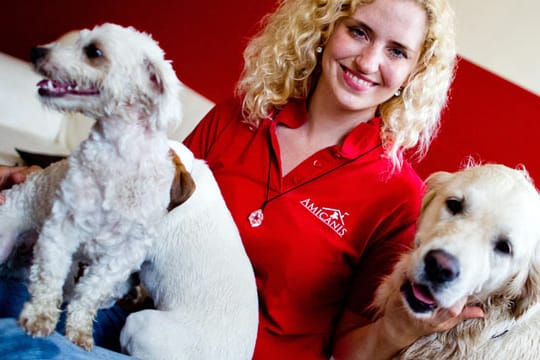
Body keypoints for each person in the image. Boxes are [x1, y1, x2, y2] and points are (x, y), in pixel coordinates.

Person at [0, 0, 483, 359]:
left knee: (17, 345)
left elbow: (347, 346)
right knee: (12, 290)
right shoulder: (238, 116)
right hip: (137, 318)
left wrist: (400, 331)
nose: (368, 61)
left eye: (396, 51)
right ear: (325, 27)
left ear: (414, 73)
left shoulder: (399, 197)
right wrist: (41, 185)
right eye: (358, 31)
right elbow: (139, 200)